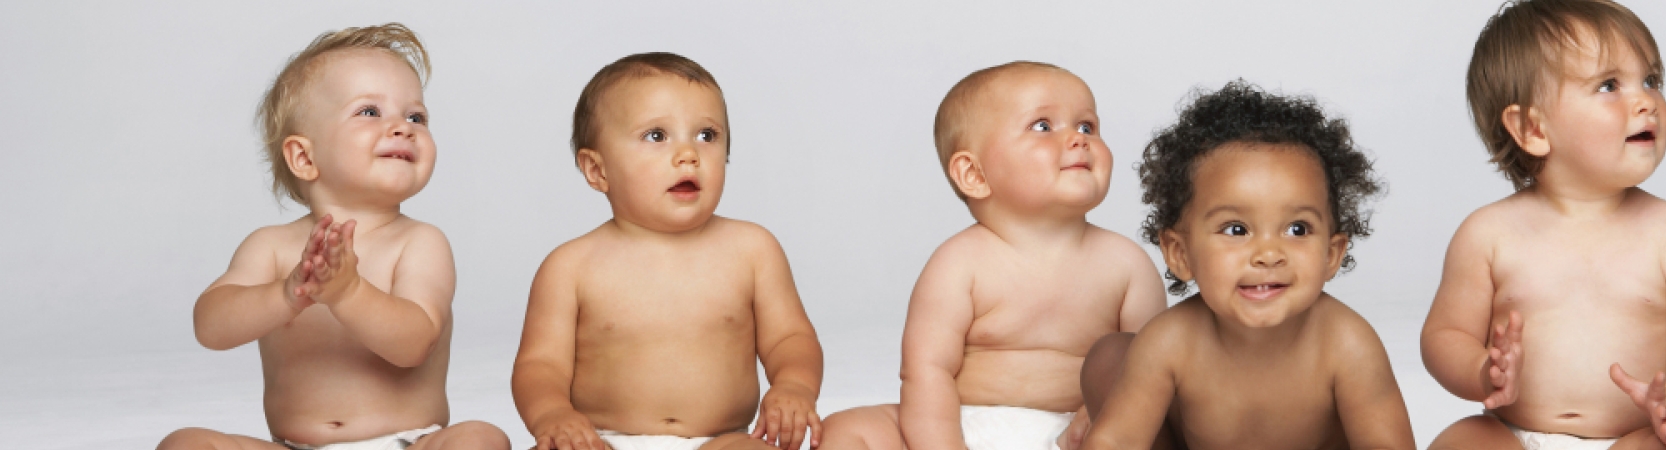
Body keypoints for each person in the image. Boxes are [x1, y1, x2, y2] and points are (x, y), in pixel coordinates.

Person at [158, 22, 509, 450]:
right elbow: (211, 327)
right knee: (186, 443)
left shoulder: (420, 243)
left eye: (415, 116)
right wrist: (287, 295)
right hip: (295, 445)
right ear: (304, 157)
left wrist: (348, 292)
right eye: (370, 112)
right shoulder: (271, 247)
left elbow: (415, 344)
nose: (403, 127)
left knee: (481, 439)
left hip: (407, 442)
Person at [1422, 1, 1666, 449]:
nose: (1647, 101)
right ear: (1533, 129)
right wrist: (1482, 370)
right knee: (1461, 440)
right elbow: (1444, 336)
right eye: (1609, 85)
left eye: (1651, 80)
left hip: (1633, 438)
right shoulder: (1488, 234)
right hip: (1513, 435)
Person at [817, 61, 1168, 450]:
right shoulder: (958, 263)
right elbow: (927, 371)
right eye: (1043, 126)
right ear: (975, 174)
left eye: (1087, 127)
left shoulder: (1127, 265)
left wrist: (1104, 414)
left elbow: (1150, 370)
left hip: (1078, 434)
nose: (1078, 139)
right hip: (962, 425)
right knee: (845, 430)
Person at [511, 52, 824, 450]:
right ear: (598, 170)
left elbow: (790, 338)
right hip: (602, 439)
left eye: (706, 135)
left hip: (721, 439)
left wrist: (794, 386)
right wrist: (552, 414)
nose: (688, 154)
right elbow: (540, 365)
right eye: (657, 136)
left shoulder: (753, 251)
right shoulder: (571, 267)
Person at [1078, 81, 1413, 450]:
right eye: (1236, 229)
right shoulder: (1170, 342)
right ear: (1180, 253)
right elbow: (1117, 439)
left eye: (1297, 229)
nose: (1268, 254)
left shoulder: (1347, 344)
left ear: (1331, 254)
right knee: (1111, 357)